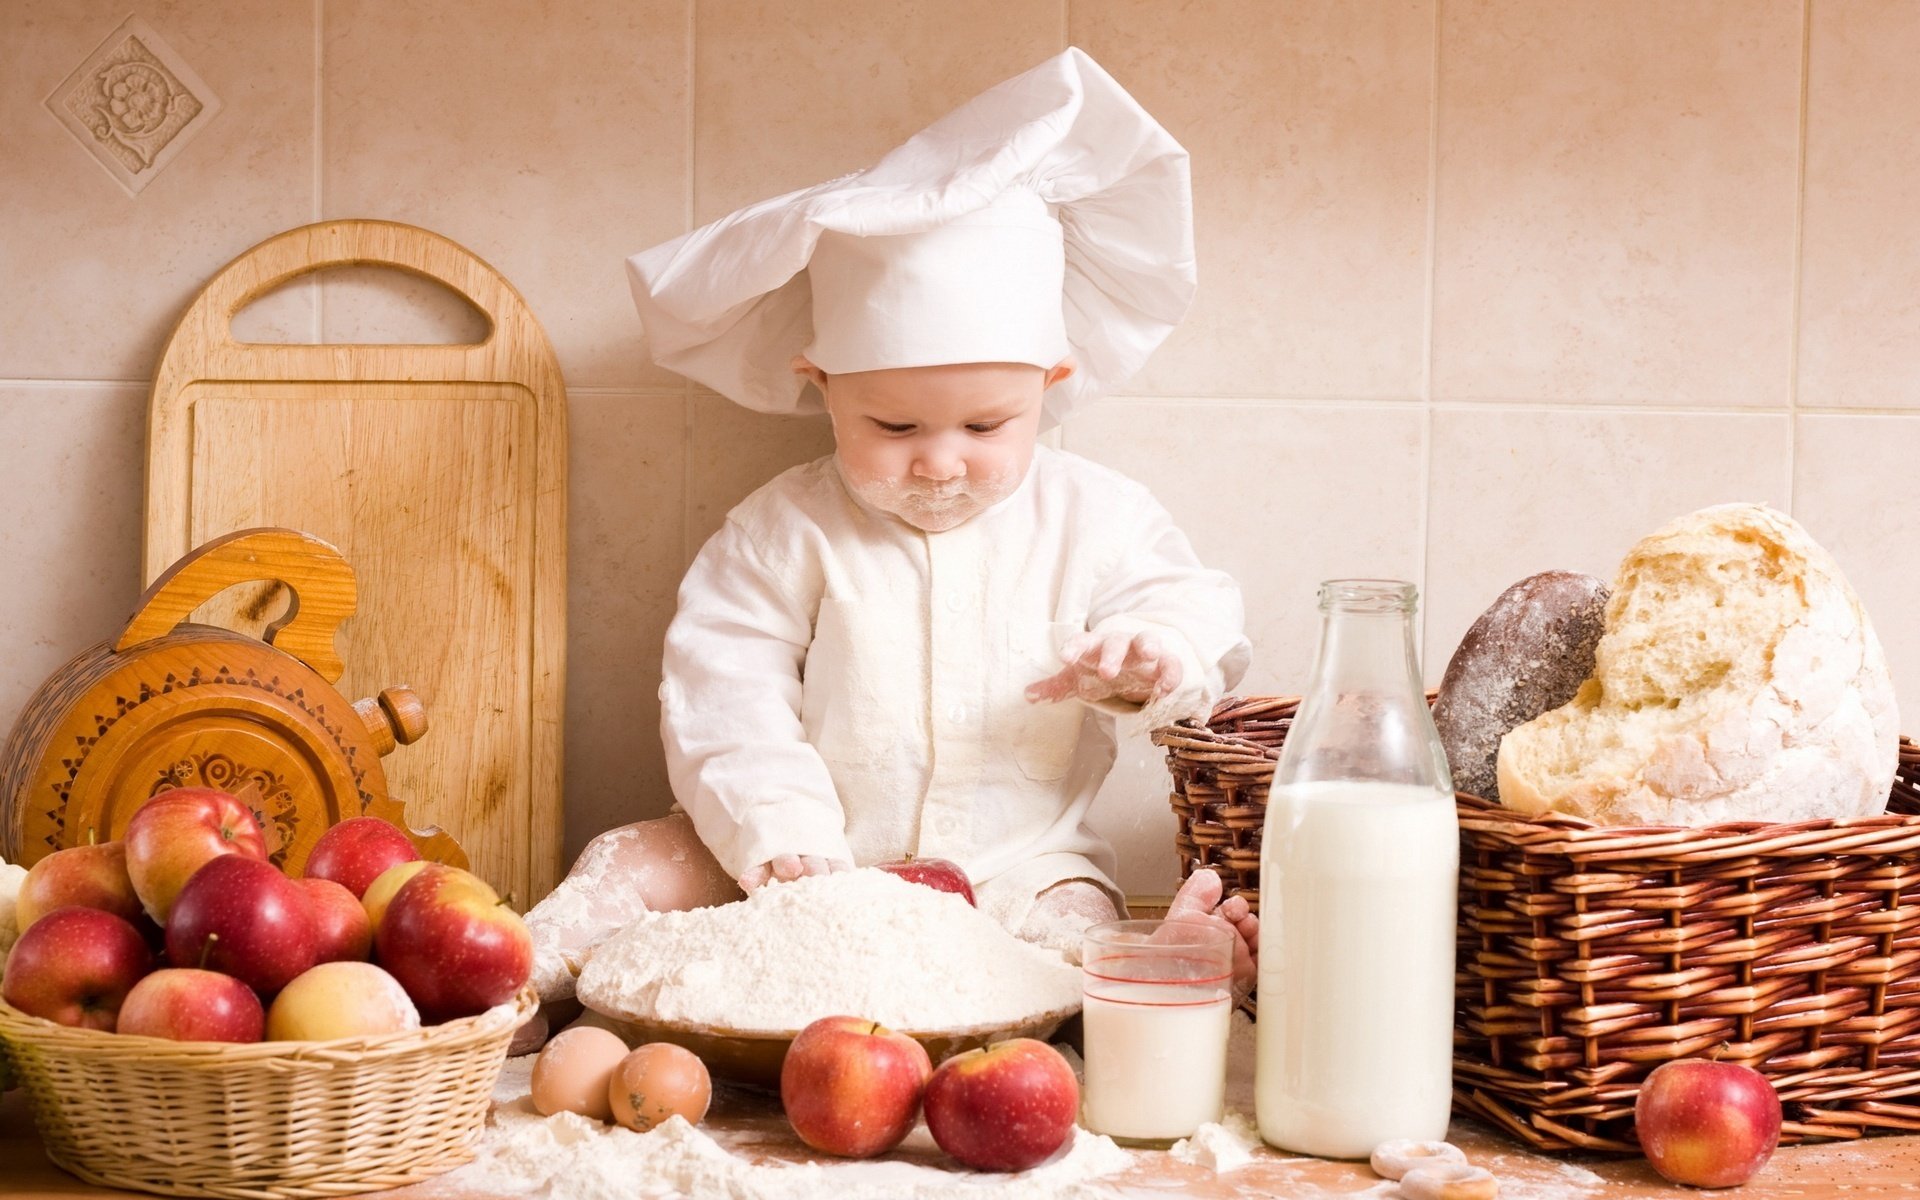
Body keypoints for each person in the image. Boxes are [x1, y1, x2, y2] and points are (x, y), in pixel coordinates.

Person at [521, 48, 1258, 1038]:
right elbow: (721, 687)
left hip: (1017, 868)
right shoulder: (784, 530)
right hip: (794, 865)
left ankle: (1147, 974)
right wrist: (779, 836)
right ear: (822, 385)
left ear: (1052, 384)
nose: (942, 464)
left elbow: (1194, 603)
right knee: (631, 860)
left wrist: (1152, 654)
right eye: (896, 429)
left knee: (1071, 930)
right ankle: (510, 981)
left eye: (987, 427)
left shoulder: (1099, 517)